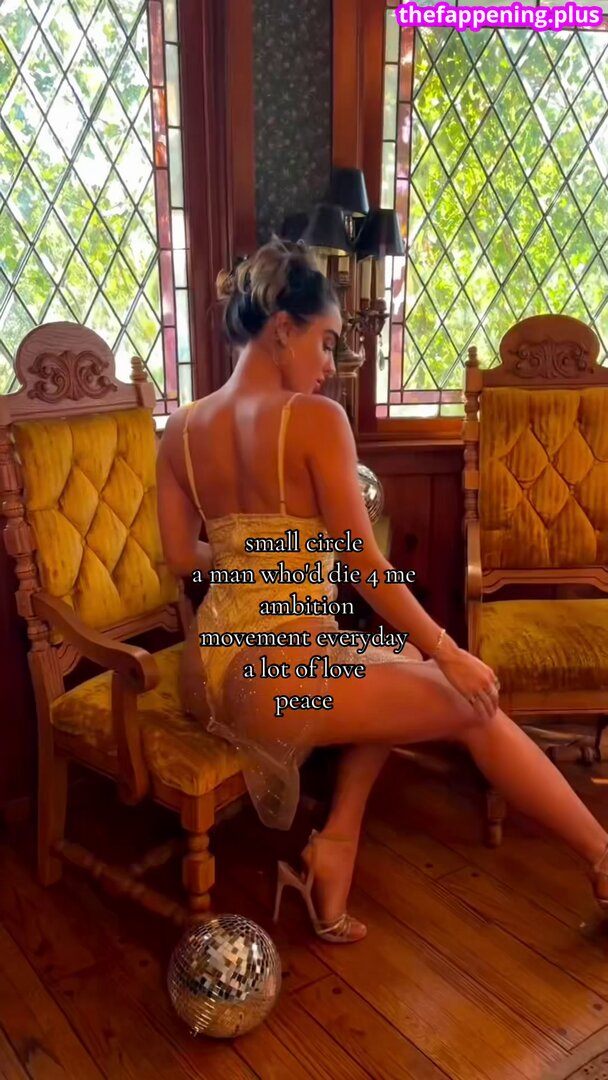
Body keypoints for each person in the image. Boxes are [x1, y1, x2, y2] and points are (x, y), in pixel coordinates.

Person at [157, 238, 608, 944]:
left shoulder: (181, 430)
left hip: (211, 672)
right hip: (279, 683)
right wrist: (451, 650)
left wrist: (254, 558)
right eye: (326, 341)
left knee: (395, 664)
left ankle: (333, 851)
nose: (330, 363)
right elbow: (365, 566)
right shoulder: (315, 420)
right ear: (283, 329)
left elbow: (183, 555)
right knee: (469, 704)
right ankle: (604, 861)